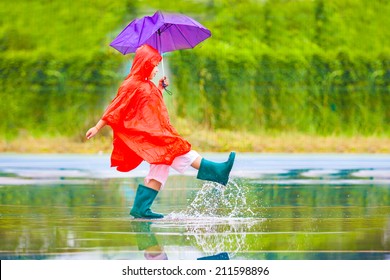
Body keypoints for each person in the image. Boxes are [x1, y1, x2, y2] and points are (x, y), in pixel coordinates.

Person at [86, 44, 235, 219]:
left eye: (158, 65)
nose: (156, 69)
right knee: (178, 149)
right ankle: (217, 172)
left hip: (157, 132)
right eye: (154, 65)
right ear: (145, 64)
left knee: (160, 168)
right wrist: (97, 127)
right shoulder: (132, 84)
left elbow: (149, 103)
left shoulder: (146, 84)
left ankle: (141, 208)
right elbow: (116, 107)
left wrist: (160, 89)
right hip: (150, 136)